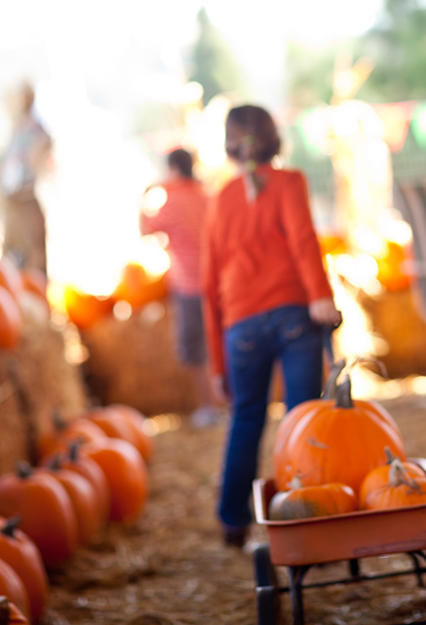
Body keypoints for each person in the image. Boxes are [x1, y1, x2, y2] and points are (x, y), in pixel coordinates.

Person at [202, 104, 340, 547]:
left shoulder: (219, 201)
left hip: (239, 326)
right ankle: (303, 519)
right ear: (273, 138)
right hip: (293, 315)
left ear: (230, 145)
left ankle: (232, 522)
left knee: (246, 417)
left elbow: (208, 287)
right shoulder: (290, 182)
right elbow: (303, 239)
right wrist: (321, 296)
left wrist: (217, 365)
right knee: (301, 418)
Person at [139, 148, 221, 427]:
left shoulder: (171, 202)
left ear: (173, 169)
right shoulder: (207, 196)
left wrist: (145, 196)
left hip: (189, 286)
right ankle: (230, 403)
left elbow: (145, 231)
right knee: (219, 343)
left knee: (195, 347)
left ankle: (208, 407)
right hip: (216, 282)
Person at [0, 80, 52, 273]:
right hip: (12, 204)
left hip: (26, 200)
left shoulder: (35, 129)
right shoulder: (15, 131)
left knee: (34, 260)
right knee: (12, 261)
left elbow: (43, 151)